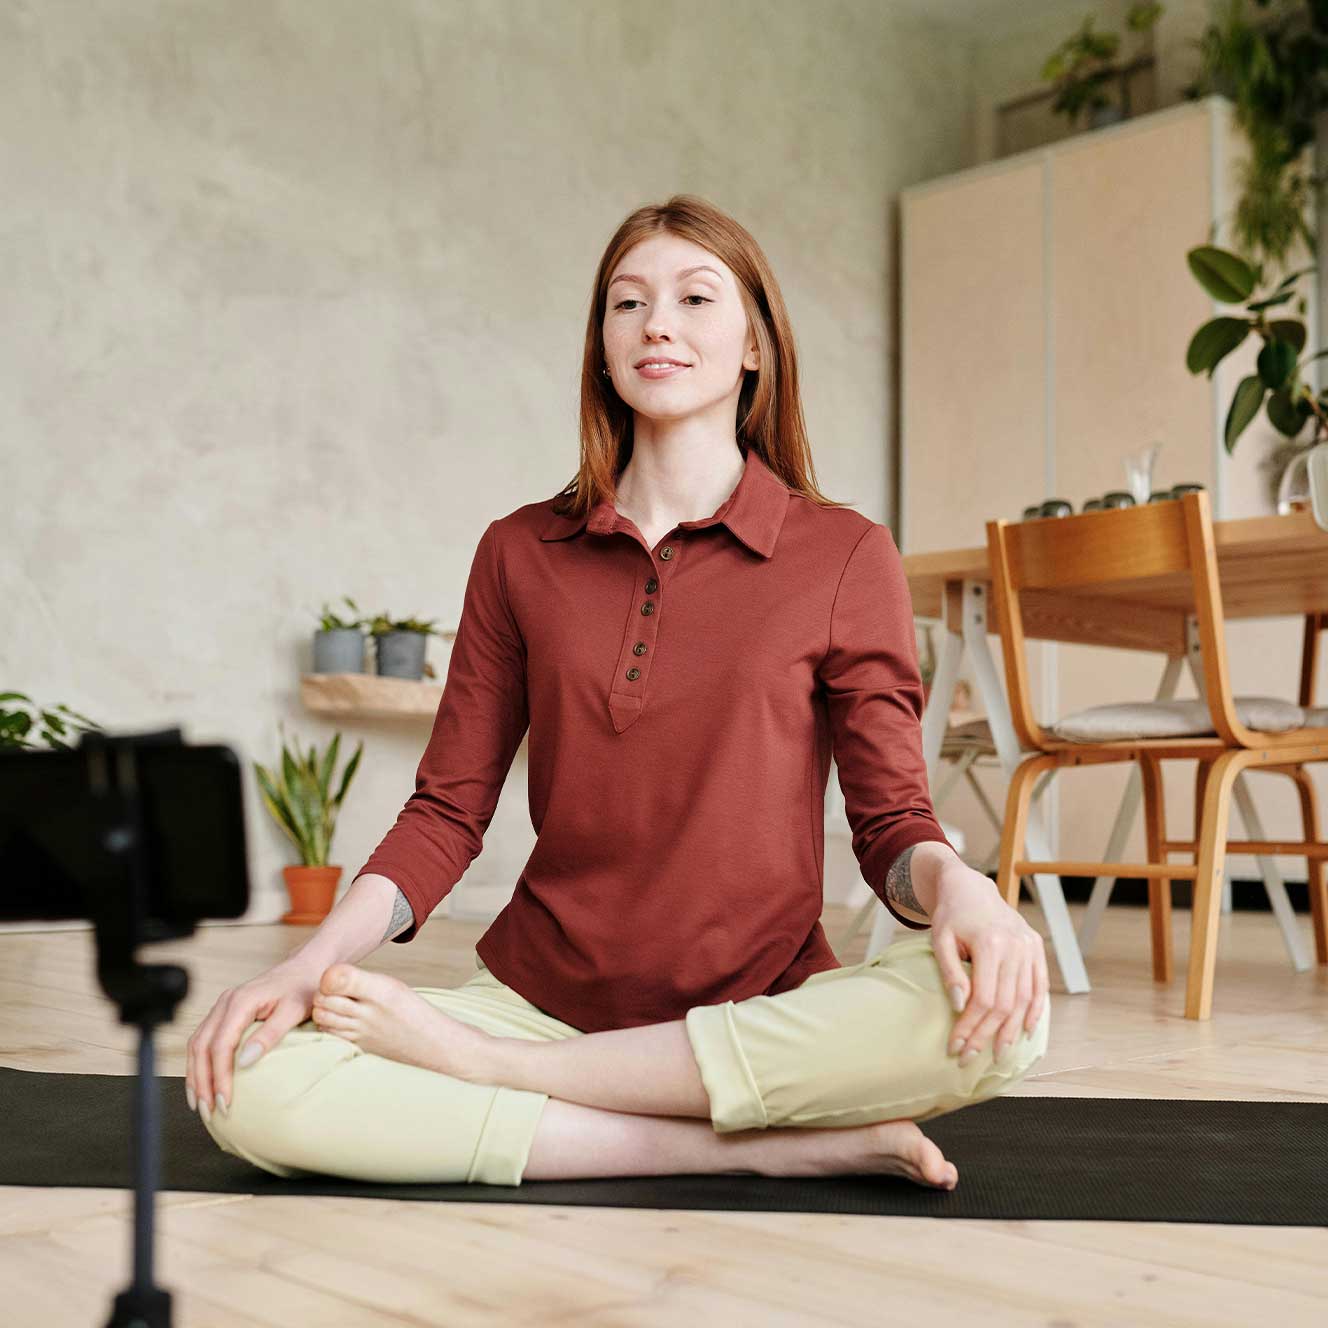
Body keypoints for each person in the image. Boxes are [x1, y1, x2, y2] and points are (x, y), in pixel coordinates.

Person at [187, 195, 1050, 1192]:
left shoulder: (843, 553)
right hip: (538, 994)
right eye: (626, 303)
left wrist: (965, 891)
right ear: (601, 346)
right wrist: (305, 963)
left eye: (694, 296)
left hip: (751, 1014)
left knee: (1003, 1012)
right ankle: (734, 1140)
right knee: (247, 1086)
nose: (657, 325)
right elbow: (445, 810)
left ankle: (514, 1081)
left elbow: (891, 820)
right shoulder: (519, 550)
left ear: (755, 342)